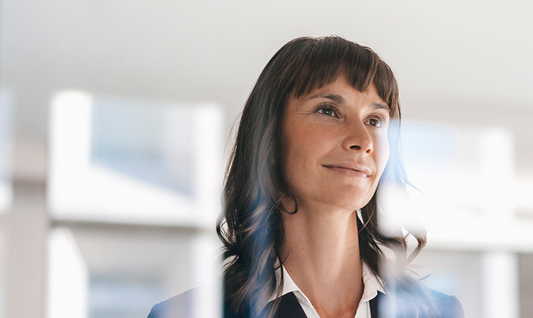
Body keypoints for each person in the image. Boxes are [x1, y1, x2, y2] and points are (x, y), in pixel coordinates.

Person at [148, 36, 463, 318]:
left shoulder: (440, 313)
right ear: (270, 139)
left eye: (375, 120)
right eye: (328, 110)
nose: (362, 140)